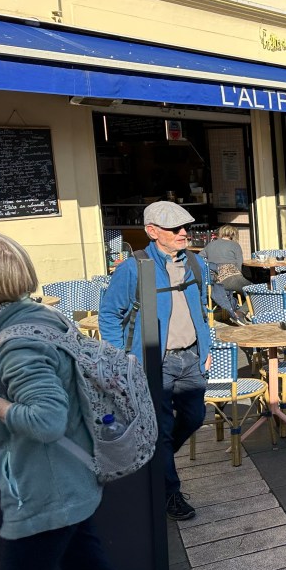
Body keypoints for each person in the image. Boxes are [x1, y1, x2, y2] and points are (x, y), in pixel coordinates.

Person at [0, 234, 152, 570]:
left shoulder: (16, 344)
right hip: (67, 482)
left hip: (45, 492)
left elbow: (46, 420)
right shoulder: (43, 318)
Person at [99, 202, 210, 522]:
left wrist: (206, 348)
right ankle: (169, 492)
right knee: (161, 429)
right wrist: (122, 359)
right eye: (174, 229)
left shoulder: (195, 262)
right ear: (152, 231)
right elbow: (109, 315)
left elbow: (202, 308)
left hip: (190, 357)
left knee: (195, 416)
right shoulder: (133, 268)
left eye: (185, 227)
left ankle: (153, 461)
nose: (183, 233)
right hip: (152, 363)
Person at [199, 224, 249, 324]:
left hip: (214, 281)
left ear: (221, 233)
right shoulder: (235, 245)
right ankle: (240, 313)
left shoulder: (211, 244)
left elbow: (199, 258)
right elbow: (239, 266)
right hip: (231, 278)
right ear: (234, 234)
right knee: (256, 290)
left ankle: (235, 311)